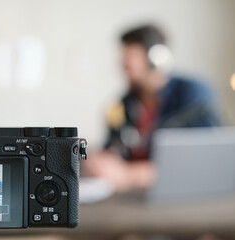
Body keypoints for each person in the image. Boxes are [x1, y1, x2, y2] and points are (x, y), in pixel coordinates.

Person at [84, 25, 219, 192]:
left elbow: (205, 162)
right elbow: (114, 149)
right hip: (132, 201)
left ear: (158, 58)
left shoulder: (192, 94)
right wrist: (100, 162)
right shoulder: (122, 104)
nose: (123, 66)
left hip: (182, 201)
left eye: (130, 59)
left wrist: (130, 175)